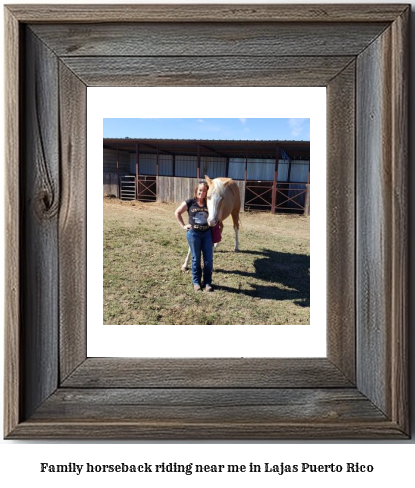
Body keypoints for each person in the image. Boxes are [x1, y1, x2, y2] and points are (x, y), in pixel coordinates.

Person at [175, 180, 213, 292]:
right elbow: (177, 212)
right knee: (196, 259)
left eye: (205, 191)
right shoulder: (190, 202)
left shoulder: (209, 204)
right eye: (200, 190)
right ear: (196, 190)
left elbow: (216, 215)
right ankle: (196, 282)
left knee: (208, 260)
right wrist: (183, 225)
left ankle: (207, 283)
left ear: (207, 193)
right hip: (193, 234)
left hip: (207, 234)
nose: (202, 192)